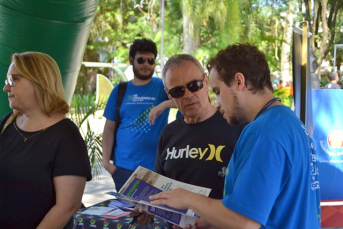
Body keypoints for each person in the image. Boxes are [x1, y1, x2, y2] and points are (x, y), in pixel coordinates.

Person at [149, 43, 321, 229]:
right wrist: (210, 219)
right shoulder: (288, 122)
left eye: (217, 91)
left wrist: (188, 198)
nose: (217, 102)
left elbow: (244, 222)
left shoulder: (262, 133)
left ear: (239, 82)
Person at [146, 54, 246, 229]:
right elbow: (161, 192)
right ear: (169, 94)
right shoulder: (168, 134)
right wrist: (146, 209)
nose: (188, 95)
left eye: (194, 85)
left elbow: (250, 201)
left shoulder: (236, 128)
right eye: (178, 91)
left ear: (206, 81)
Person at [0, 51, 92, 229]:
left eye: (13, 80)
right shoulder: (6, 123)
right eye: (6, 81)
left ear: (40, 81)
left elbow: (67, 206)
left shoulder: (66, 135)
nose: (6, 88)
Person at [102, 38, 173, 191]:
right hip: (124, 168)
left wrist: (164, 104)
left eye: (150, 60)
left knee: (153, 214)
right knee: (128, 214)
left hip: (156, 168)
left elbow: (185, 101)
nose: (146, 64)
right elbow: (108, 128)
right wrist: (107, 164)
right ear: (131, 60)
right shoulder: (120, 90)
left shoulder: (162, 87)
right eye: (141, 60)